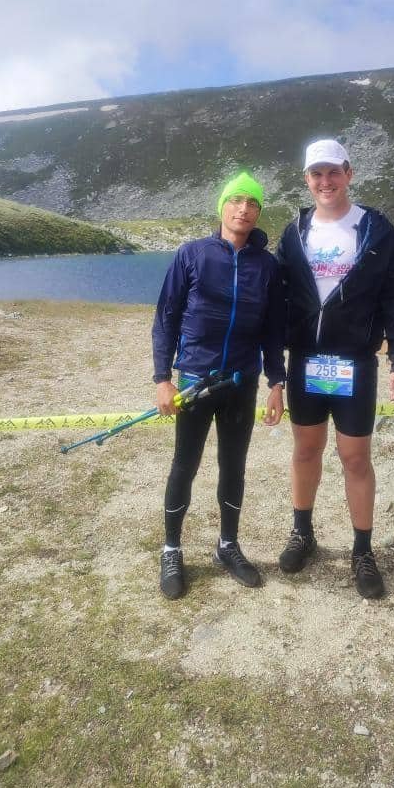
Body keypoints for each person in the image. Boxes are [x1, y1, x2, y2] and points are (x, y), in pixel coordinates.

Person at [275, 139, 394, 599]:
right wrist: (270, 364)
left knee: (355, 458)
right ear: (307, 180)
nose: (326, 181)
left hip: (354, 363)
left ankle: (362, 551)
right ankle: (303, 534)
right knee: (305, 451)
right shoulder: (294, 232)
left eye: (333, 172)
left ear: (349, 174)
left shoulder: (376, 230)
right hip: (306, 361)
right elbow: (275, 298)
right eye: (317, 174)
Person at [152, 172, 286, 600]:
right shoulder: (191, 254)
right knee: (185, 464)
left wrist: (277, 382)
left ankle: (227, 546)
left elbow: (272, 330)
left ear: (259, 212)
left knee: (234, 465)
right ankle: (171, 550)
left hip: (241, 382)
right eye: (236, 200)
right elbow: (166, 319)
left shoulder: (266, 266)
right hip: (194, 380)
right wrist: (162, 379)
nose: (244, 209)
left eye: (253, 203)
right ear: (222, 205)